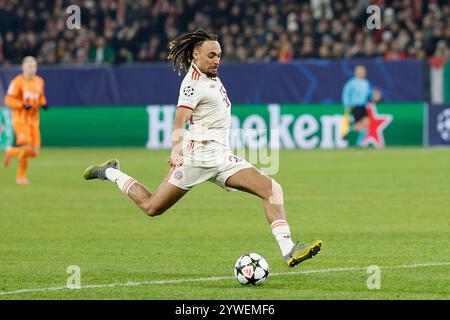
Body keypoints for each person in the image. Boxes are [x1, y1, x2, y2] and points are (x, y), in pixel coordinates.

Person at [83, 29, 322, 267]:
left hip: (222, 158)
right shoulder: (192, 85)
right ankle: (111, 172)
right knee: (152, 207)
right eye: (211, 55)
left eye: (219, 55)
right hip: (197, 159)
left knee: (272, 189)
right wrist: (177, 150)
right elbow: (179, 120)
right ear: (196, 55)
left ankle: (288, 250)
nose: (217, 60)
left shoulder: (210, 76)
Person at [3, 56, 48, 184]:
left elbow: (41, 96)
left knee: (35, 152)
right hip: (20, 119)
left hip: (34, 120)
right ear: (23, 68)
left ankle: (11, 151)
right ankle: (20, 177)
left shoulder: (39, 81)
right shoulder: (17, 82)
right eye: (29, 67)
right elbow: (8, 100)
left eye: (34, 67)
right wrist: (22, 104)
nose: (32, 69)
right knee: (27, 147)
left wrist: (43, 103)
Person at [341, 65, 381, 147]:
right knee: (360, 127)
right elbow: (346, 94)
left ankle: (358, 142)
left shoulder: (366, 83)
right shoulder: (351, 83)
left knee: (366, 125)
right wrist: (347, 105)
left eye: (363, 71)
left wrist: (374, 96)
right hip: (355, 106)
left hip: (363, 106)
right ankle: (346, 131)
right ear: (356, 72)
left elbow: (369, 94)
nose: (362, 73)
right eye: (360, 71)